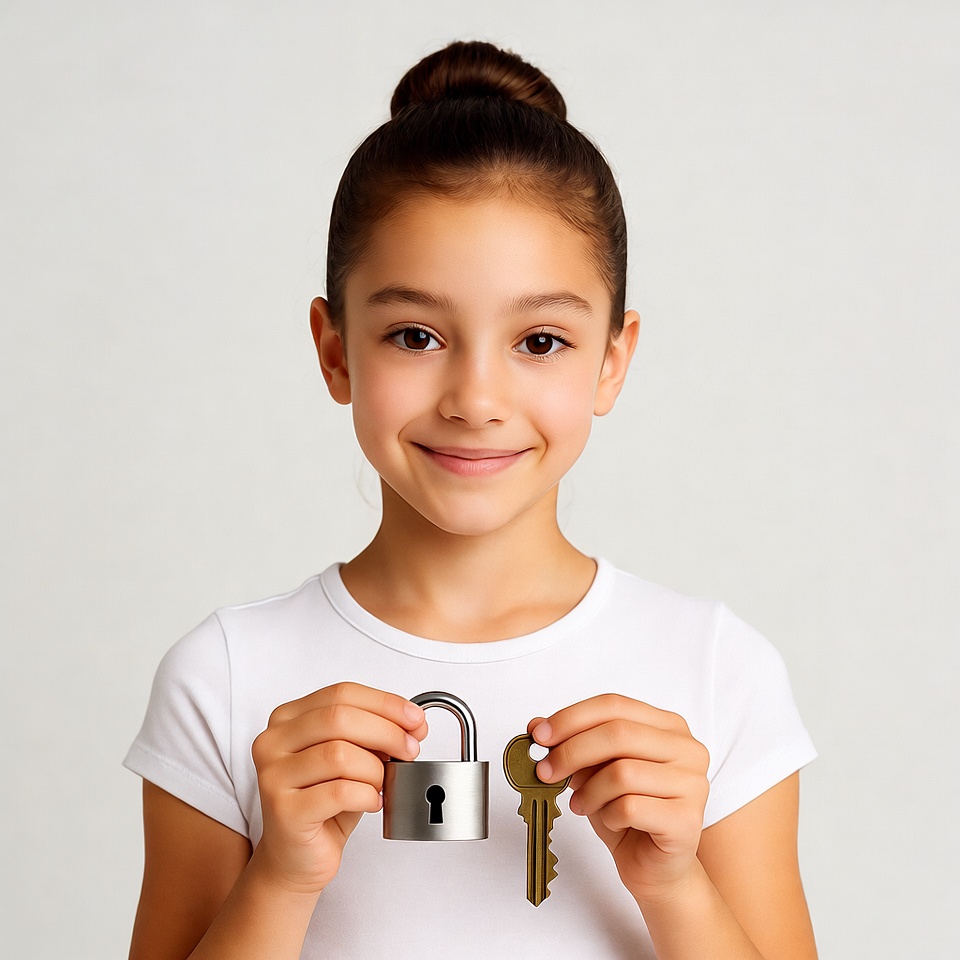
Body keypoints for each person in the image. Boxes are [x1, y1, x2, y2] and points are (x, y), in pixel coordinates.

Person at [124, 40, 818, 960]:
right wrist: (281, 878)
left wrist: (674, 884)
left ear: (612, 361)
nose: (476, 398)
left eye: (540, 341)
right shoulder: (224, 678)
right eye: (416, 335)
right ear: (335, 351)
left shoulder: (719, 672)